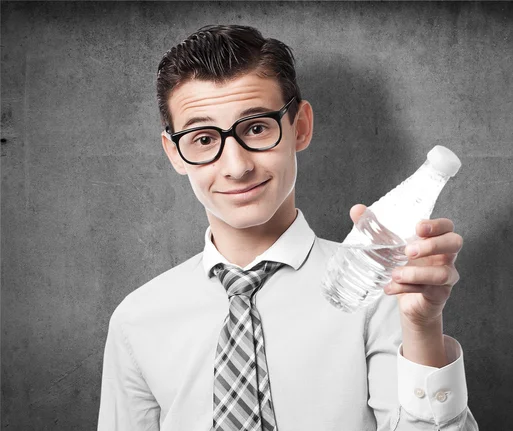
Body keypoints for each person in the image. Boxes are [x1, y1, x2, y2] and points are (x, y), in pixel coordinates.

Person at [97, 24, 479, 431]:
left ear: (300, 127)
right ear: (175, 153)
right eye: (204, 139)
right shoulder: (136, 321)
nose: (237, 167)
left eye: (257, 128)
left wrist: (422, 329)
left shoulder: (381, 293)